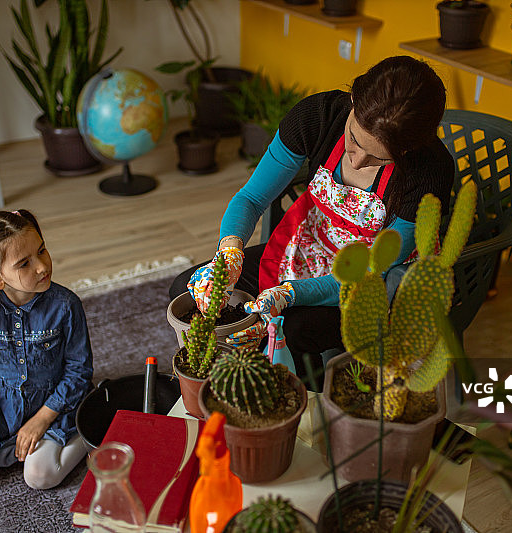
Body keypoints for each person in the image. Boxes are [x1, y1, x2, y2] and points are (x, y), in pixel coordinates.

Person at [170, 55, 455, 389]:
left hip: (376, 284)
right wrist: (229, 252)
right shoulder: (317, 117)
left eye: (379, 157)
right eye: (354, 139)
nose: (357, 161)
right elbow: (251, 198)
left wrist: (291, 294)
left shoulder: (430, 171)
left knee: (292, 330)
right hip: (310, 249)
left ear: (410, 149)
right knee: (185, 290)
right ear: (353, 100)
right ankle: (221, 389)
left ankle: (306, 408)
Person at [0, 209, 93, 490]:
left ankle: (91, 428)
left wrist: (41, 420)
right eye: (24, 263)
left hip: (55, 405)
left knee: (39, 477)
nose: (42, 266)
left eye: (42, 251)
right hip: (2, 405)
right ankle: (15, 448)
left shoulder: (65, 305)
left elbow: (78, 371)